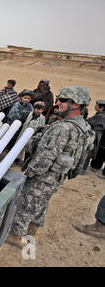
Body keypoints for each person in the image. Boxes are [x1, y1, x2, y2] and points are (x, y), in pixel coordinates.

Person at [6, 86, 95, 247]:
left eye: (62, 100)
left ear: (75, 104)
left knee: (27, 204)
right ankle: (34, 229)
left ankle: (16, 235)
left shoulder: (63, 128)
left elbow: (46, 156)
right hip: (57, 176)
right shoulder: (84, 127)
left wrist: (30, 172)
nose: (57, 103)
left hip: (44, 175)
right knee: (41, 203)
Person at [83, 99, 105, 178]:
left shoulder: (101, 116)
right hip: (100, 138)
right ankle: (95, 166)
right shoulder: (100, 114)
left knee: (89, 151)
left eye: (96, 105)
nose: (95, 106)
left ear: (101, 108)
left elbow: (90, 121)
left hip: (98, 137)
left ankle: (83, 169)